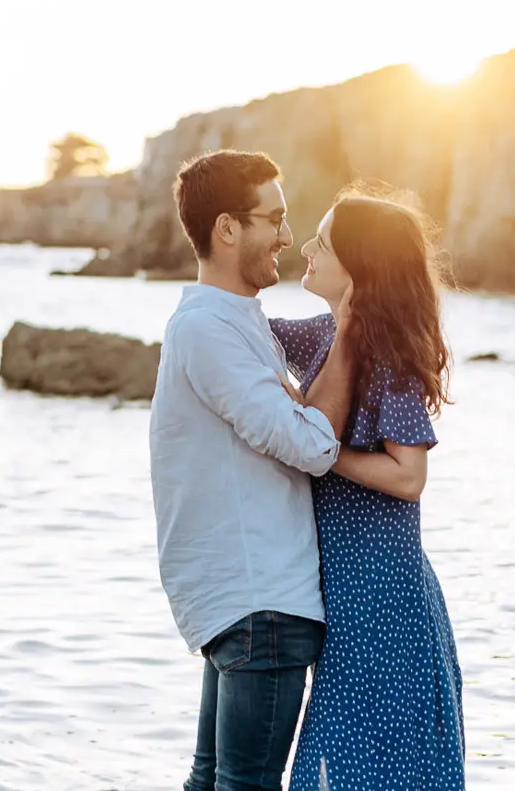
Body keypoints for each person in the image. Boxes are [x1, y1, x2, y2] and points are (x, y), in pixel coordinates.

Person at [149, 150, 355, 791]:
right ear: (227, 229)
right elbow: (311, 446)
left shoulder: (236, 322)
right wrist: (351, 336)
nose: (288, 237)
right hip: (259, 600)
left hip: (248, 601)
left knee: (212, 782)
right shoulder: (208, 330)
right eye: (275, 219)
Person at [270, 189, 466, 791]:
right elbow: (244, 335)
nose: (307, 247)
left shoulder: (391, 361)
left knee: (367, 770)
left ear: (360, 268)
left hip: (385, 599)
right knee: (333, 764)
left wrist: (320, 450)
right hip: (339, 593)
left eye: (325, 244)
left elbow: (409, 476)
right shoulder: (320, 336)